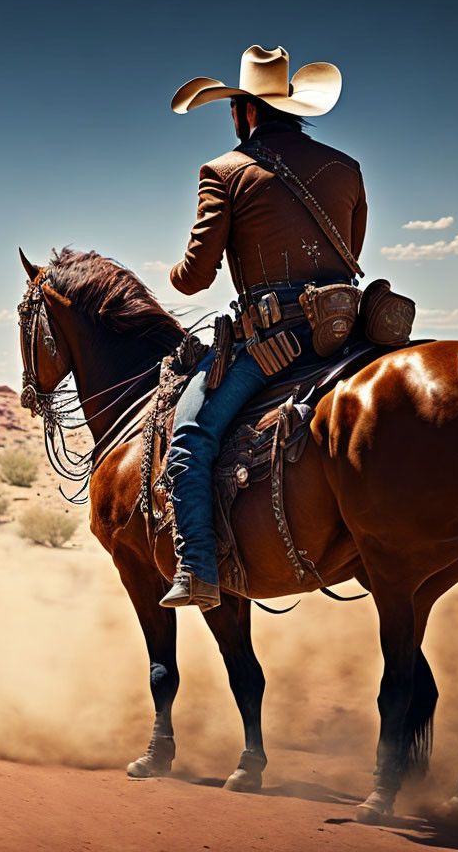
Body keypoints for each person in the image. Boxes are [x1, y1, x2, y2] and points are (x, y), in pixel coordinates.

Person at [161, 45, 368, 610]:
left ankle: (198, 567)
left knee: (190, 438)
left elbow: (194, 278)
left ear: (244, 111)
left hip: (273, 342)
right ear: (294, 107)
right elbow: (350, 251)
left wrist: (176, 272)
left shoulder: (225, 172)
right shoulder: (345, 168)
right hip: (348, 334)